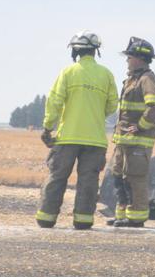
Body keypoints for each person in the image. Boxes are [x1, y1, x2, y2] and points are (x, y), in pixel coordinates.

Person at [36, 33, 118, 230]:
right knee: (88, 181)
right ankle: (83, 221)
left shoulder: (68, 72)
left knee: (57, 177)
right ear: (95, 50)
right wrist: (96, 113)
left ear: (75, 50)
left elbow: (54, 102)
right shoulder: (106, 74)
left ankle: (46, 218)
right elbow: (112, 105)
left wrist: (48, 128)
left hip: (68, 138)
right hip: (95, 140)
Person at [108, 37, 155, 227]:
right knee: (119, 178)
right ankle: (122, 215)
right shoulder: (132, 79)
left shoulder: (147, 79)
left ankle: (136, 218)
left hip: (138, 142)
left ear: (139, 59)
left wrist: (141, 126)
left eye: (130, 56)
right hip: (124, 141)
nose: (127, 60)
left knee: (135, 178)